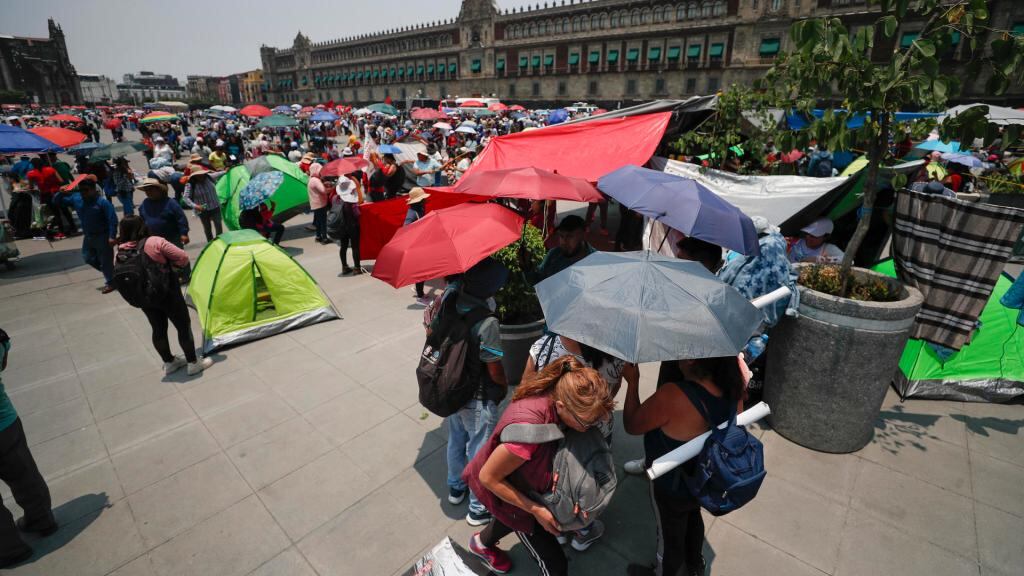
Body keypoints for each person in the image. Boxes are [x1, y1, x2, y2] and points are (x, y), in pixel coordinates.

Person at [463, 356, 615, 576]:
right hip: (515, 494)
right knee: (556, 566)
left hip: (524, 484)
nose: (589, 427)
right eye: (586, 422)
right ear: (561, 406)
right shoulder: (527, 434)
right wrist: (536, 510)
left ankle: (480, 544)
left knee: (507, 518)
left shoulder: (561, 391)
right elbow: (488, 477)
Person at [622, 355, 749, 576]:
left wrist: (633, 382)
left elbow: (632, 424)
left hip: (671, 484)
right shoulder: (734, 384)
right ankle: (695, 565)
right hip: (705, 477)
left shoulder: (673, 395)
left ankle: (663, 572)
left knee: (669, 535)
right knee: (693, 517)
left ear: (690, 360)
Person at [522, 332, 635, 552]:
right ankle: (584, 529)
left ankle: (557, 524)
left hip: (553, 434)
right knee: (587, 481)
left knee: (555, 479)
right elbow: (611, 392)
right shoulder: (617, 353)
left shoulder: (544, 346)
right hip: (596, 436)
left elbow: (527, 389)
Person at [427, 259, 510, 527]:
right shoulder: (487, 322)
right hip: (477, 397)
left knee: (456, 439)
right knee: (479, 450)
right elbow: (494, 368)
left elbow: (432, 329)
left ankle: (455, 487)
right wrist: (503, 387)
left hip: (453, 389)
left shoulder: (450, 299)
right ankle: (477, 508)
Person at [116, 216, 213, 376]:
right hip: (167, 292)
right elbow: (182, 257)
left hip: (144, 297)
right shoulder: (154, 242)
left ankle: (169, 363)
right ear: (143, 226)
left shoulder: (121, 250)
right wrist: (175, 267)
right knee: (183, 326)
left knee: (158, 328)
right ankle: (193, 363)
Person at [0, 328, 58, 569]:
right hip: (5, 423)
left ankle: (9, 549)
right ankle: (42, 519)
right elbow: (3, 361)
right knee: (25, 474)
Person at [53, 175, 118, 293]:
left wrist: (112, 236)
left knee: (105, 261)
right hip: (88, 236)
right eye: (81, 190)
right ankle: (114, 274)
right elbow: (56, 202)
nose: (83, 193)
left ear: (93, 189)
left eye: (86, 190)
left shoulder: (102, 203)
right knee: (88, 258)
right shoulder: (77, 199)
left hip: (103, 236)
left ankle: (110, 281)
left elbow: (112, 220)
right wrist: (60, 193)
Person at [527, 215, 596, 284]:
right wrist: (527, 265)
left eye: (570, 236)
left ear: (583, 235)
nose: (564, 242)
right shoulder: (554, 255)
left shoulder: (596, 262)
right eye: (561, 236)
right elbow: (538, 280)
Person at [136, 178, 190, 248]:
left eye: (151, 189)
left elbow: (181, 218)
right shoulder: (145, 203)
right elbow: (142, 219)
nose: (148, 192)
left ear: (159, 189)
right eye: (146, 190)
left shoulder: (171, 203)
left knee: (175, 254)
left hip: (172, 238)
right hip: (153, 239)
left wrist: (184, 234)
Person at [405, 187, 431, 304]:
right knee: (421, 271)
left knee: (423, 270)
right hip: (416, 246)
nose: (426, 200)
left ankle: (417, 289)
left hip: (421, 245)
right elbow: (406, 229)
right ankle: (420, 297)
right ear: (419, 201)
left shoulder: (420, 209)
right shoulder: (412, 214)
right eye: (423, 199)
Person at [182, 167, 223, 242]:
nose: (201, 176)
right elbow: (185, 198)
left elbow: (219, 173)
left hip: (215, 206)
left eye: (202, 174)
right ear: (194, 176)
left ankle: (219, 242)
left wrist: (226, 170)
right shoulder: (190, 184)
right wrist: (195, 206)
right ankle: (210, 243)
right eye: (198, 175)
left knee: (219, 226)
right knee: (207, 228)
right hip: (203, 210)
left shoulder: (209, 177)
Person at [335, 176, 363, 275]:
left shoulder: (336, 199)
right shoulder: (352, 203)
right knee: (355, 247)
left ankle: (344, 267)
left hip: (341, 226)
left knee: (343, 246)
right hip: (352, 226)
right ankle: (357, 268)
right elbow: (357, 214)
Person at [308, 163, 330, 244]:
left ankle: (318, 236)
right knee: (323, 222)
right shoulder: (316, 180)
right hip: (320, 204)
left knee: (318, 221)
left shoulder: (311, 179)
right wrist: (332, 188)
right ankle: (324, 238)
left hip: (315, 204)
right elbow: (323, 191)